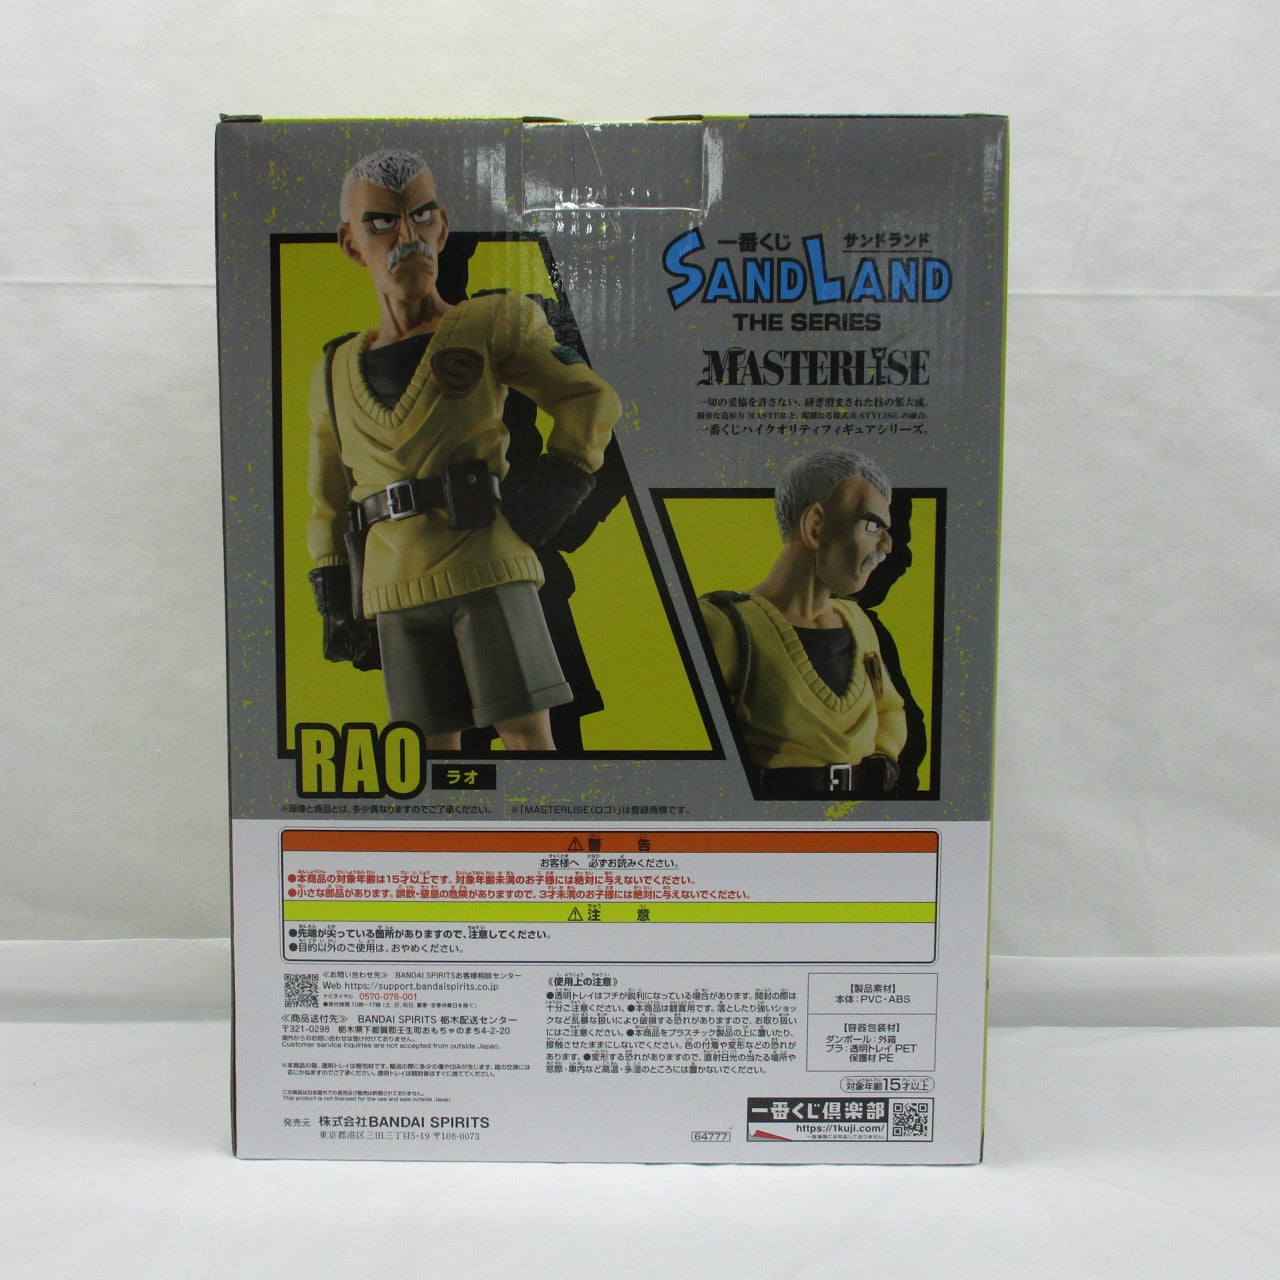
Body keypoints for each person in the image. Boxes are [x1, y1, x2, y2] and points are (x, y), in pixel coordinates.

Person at [306, 149, 619, 751]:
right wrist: (333, 591)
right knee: (428, 753)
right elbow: (327, 498)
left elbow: (589, 397)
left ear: (443, 226)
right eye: (382, 222)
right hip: (393, 585)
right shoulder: (332, 372)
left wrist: (557, 489)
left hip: (485, 565)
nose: (407, 236)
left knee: (528, 736)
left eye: (421, 216)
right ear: (351, 243)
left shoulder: (494, 322)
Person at [700, 448, 907, 798]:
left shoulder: (858, 623)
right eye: (872, 526)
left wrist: (884, 757)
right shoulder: (725, 624)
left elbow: (888, 707)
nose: (886, 545)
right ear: (814, 526)